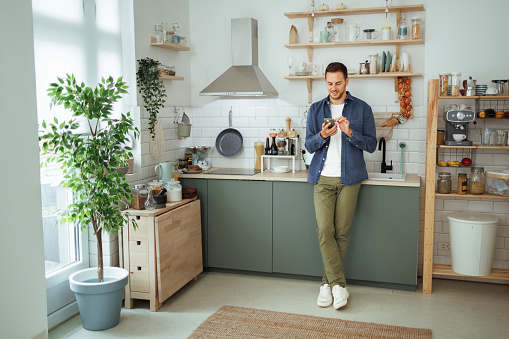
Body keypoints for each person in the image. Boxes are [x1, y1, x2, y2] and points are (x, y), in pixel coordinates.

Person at [305, 62, 376, 309]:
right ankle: (339, 286)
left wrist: (349, 133)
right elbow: (309, 145)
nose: (333, 88)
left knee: (340, 233)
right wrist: (323, 135)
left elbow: (371, 144)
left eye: (338, 83)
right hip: (322, 178)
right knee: (325, 231)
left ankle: (327, 285)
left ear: (347, 82)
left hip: (350, 179)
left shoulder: (362, 108)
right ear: (325, 82)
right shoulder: (315, 109)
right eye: (329, 83)